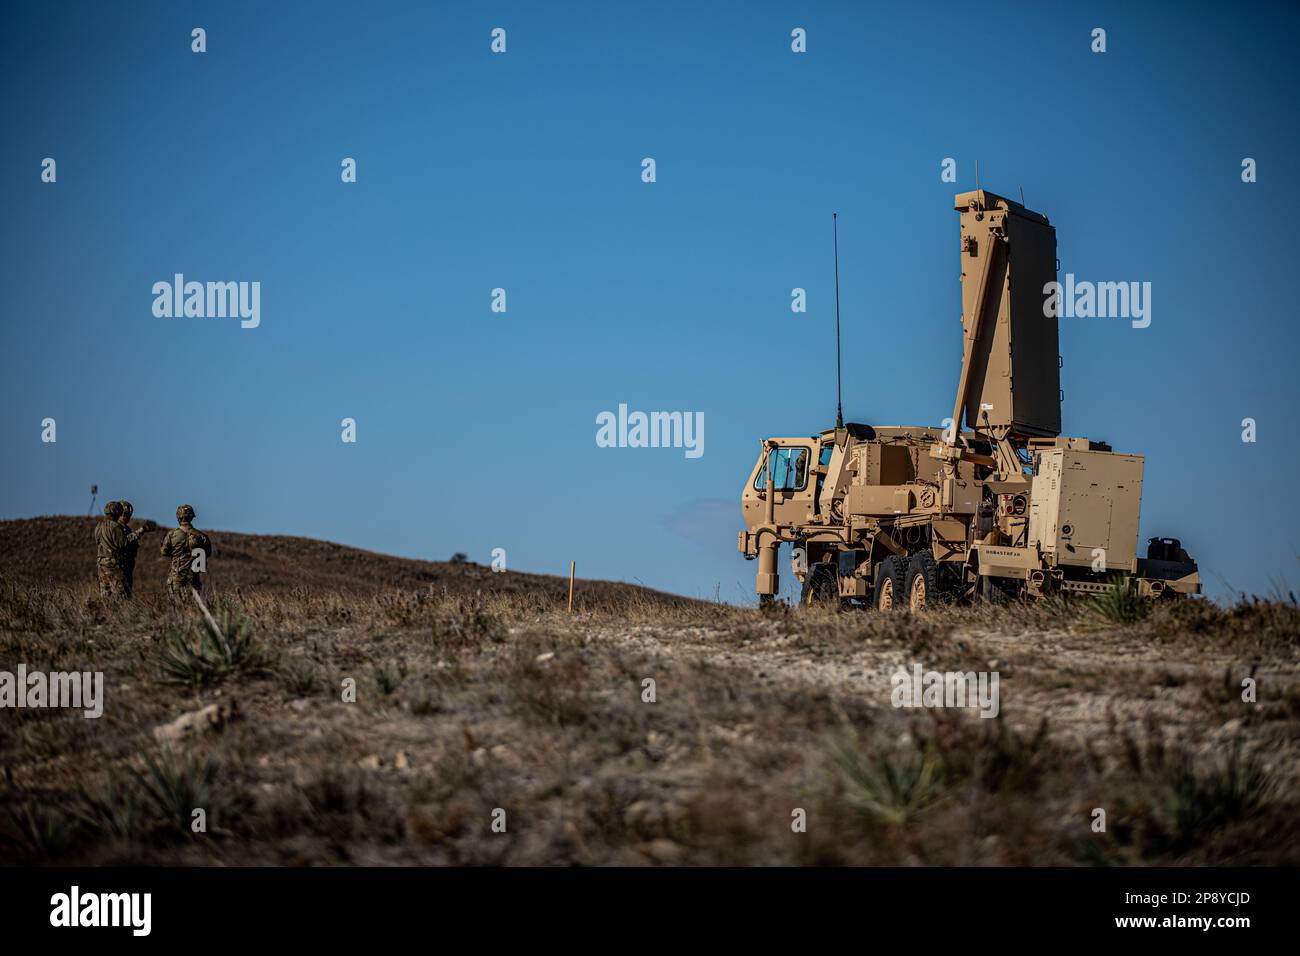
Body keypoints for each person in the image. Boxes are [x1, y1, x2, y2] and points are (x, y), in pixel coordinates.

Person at [93, 501, 146, 598]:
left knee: (105, 597)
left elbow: (97, 541)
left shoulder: (98, 526)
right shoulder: (115, 526)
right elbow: (123, 543)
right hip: (114, 565)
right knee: (120, 597)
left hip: (101, 565)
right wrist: (140, 532)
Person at [160, 504, 213, 596]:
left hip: (176, 575)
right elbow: (207, 553)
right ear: (192, 518)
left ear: (179, 518)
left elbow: (164, 552)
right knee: (195, 606)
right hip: (194, 576)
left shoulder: (171, 535)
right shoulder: (201, 536)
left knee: (175, 606)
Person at [115, 500, 153, 597]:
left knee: (127, 595)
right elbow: (124, 541)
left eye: (127, 515)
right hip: (120, 567)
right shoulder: (116, 528)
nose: (126, 517)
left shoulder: (126, 529)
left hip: (127, 566)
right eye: (124, 514)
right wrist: (142, 530)